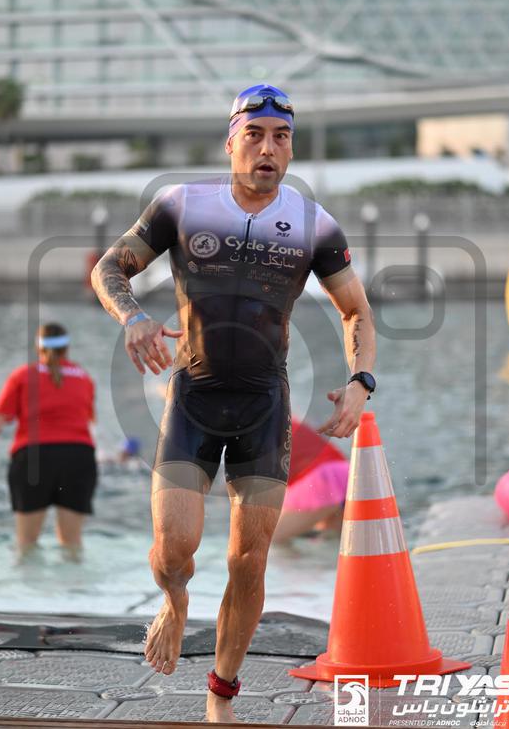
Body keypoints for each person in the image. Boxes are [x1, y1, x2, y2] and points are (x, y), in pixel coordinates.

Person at [91, 83, 376, 722]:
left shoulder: (315, 224)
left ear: (291, 148)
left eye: (281, 137)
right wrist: (133, 318)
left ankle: (221, 692)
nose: (268, 149)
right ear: (230, 143)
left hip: (263, 405)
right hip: (193, 399)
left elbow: (355, 310)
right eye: (255, 135)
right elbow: (109, 269)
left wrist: (361, 381)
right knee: (174, 552)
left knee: (248, 561)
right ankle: (174, 601)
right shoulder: (181, 205)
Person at [0, 323, 97, 561]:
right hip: (79, 457)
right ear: (67, 348)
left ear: (38, 348)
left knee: (26, 544)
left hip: (33, 458)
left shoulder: (22, 375)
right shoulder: (84, 378)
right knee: (72, 546)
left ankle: (27, 585)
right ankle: (76, 584)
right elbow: (90, 420)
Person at [273, 416, 349, 544]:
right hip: (343, 474)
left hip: (319, 481)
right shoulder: (283, 417)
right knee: (338, 542)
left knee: (271, 541)